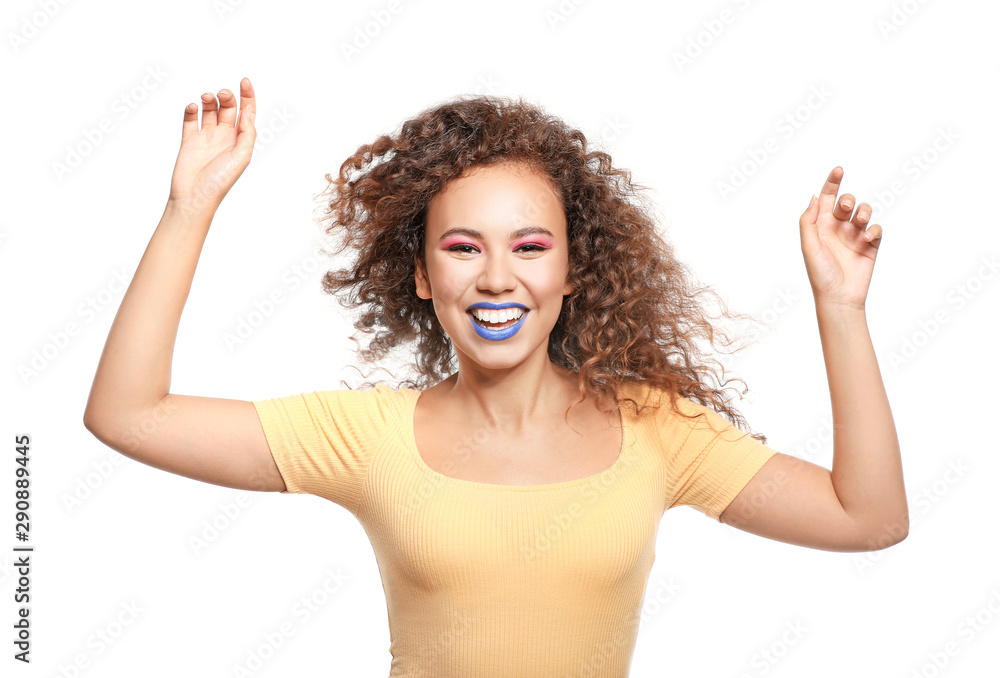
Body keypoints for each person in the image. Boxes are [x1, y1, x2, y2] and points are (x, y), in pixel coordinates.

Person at [83, 77, 908, 677]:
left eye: (530, 245)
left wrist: (842, 310)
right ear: (419, 274)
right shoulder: (368, 436)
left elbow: (867, 518)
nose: (496, 278)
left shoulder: (655, 430)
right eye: (463, 246)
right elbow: (128, 415)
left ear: (574, 270)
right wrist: (189, 209)